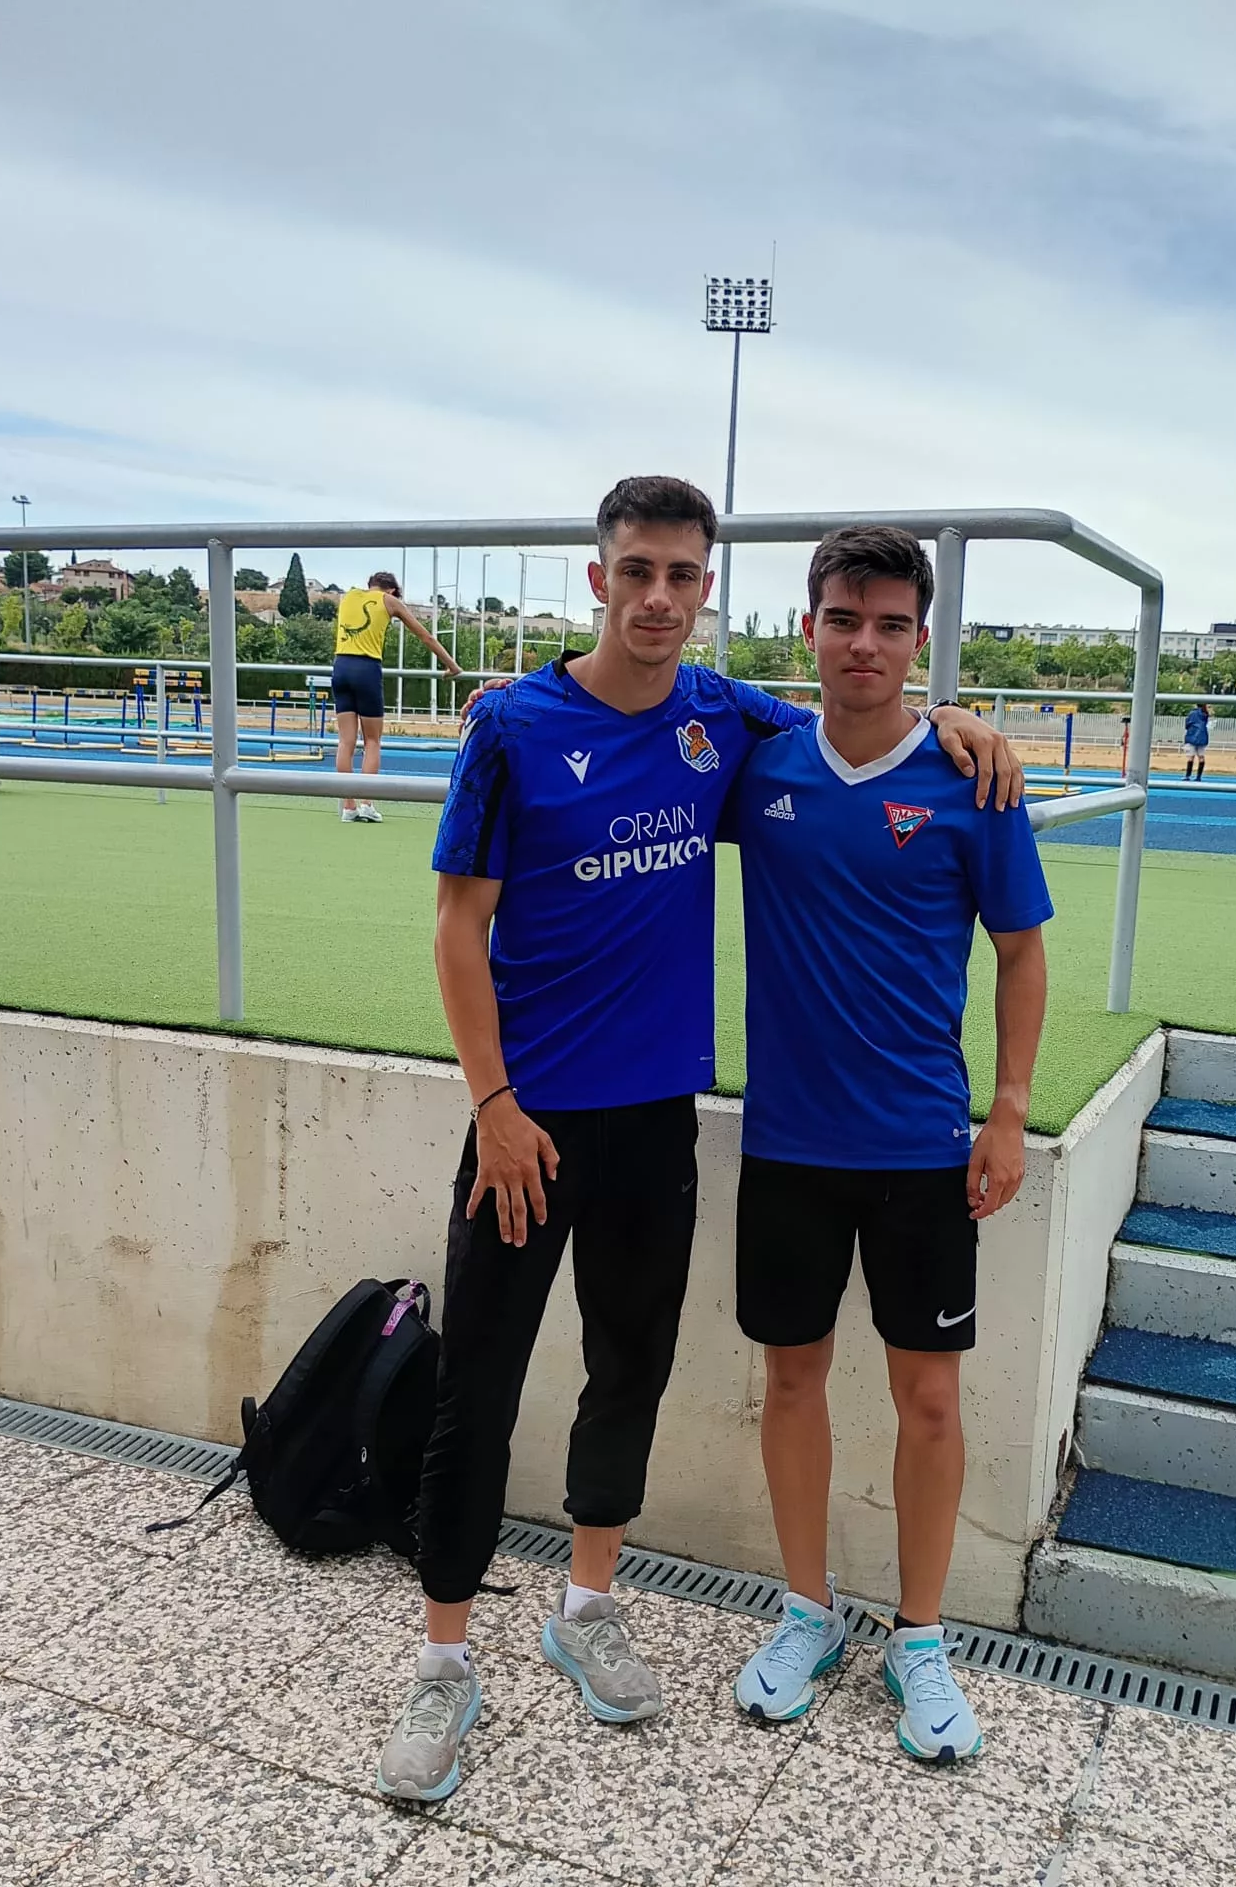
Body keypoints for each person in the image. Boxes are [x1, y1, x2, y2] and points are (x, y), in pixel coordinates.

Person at [374, 476, 1023, 1803]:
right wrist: (493, 1106)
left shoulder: (722, 716)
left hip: (658, 1120)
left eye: (683, 575)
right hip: (526, 1129)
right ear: (597, 578)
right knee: (477, 1392)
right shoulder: (511, 727)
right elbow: (457, 928)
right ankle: (443, 1667)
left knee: (629, 1374)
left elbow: (860, 720)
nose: (659, 598)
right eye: (637, 572)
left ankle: (588, 1607)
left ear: (710, 589)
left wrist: (955, 717)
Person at [726, 525, 1051, 1765]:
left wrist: (1009, 1110)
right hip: (789, 1146)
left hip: (922, 1144)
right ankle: (807, 1611)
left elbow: (1022, 957)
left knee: (928, 1398)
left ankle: (921, 1637)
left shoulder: (976, 781)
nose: (865, 643)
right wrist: (516, 697)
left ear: (921, 636)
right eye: (843, 618)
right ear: (808, 624)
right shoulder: (757, 768)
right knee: (793, 1379)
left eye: (891, 624)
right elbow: (647, 714)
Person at [331, 571, 461, 822]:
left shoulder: (348, 596)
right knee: (372, 741)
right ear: (391, 590)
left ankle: (348, 807)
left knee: (345, 741)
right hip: (366, 669)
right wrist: (452, 665)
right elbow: (425, 635)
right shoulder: (389, 601)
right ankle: (367, 803)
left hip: (341, 666)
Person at [1182, 700, 1210, 780]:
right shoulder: (1205, 714)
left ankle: (1188, 775)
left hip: (1192, 736)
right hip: (1202, 737)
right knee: (1201, 757)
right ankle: (1199, 776)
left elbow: (1187, 724)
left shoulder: (1192, 713)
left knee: (1190, 757)